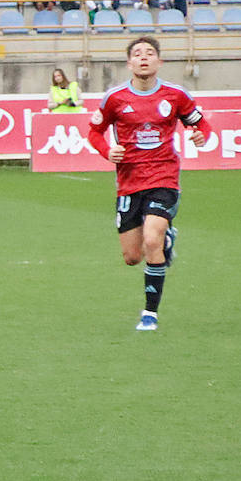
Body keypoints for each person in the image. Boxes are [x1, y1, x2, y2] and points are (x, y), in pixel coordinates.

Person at [87, 37, 211, 331]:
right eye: (137, 54)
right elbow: (94, 132)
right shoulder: (114, 98)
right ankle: (167, 239)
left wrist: (200, 134)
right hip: (129, 182)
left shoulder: (175, 95)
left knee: (152, 239)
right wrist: (107, 151)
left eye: (150, 53)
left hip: (164, 178)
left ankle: (149, 314)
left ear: (159, 61)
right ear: (129, 62)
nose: (144, 58)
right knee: (132, 256)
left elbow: (201, 123)